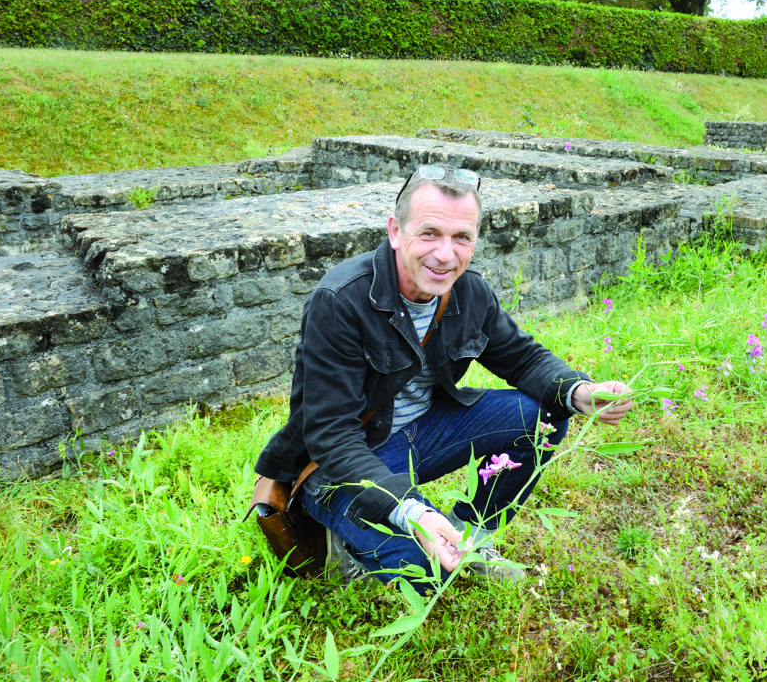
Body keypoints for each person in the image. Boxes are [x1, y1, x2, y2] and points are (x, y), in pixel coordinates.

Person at [254, 164, 634, 589]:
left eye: (462, 238)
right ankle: (347, 534)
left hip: (422, 434)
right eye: (430, 233)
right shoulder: (340, 300)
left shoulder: (469, 291)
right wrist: (412, 510)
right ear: (396, 231)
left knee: (544, 416)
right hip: (341, 464)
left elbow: (522, 358)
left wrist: (580, 392)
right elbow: (331, 435)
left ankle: (471, 535)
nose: (445, 254)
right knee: (428, 574)